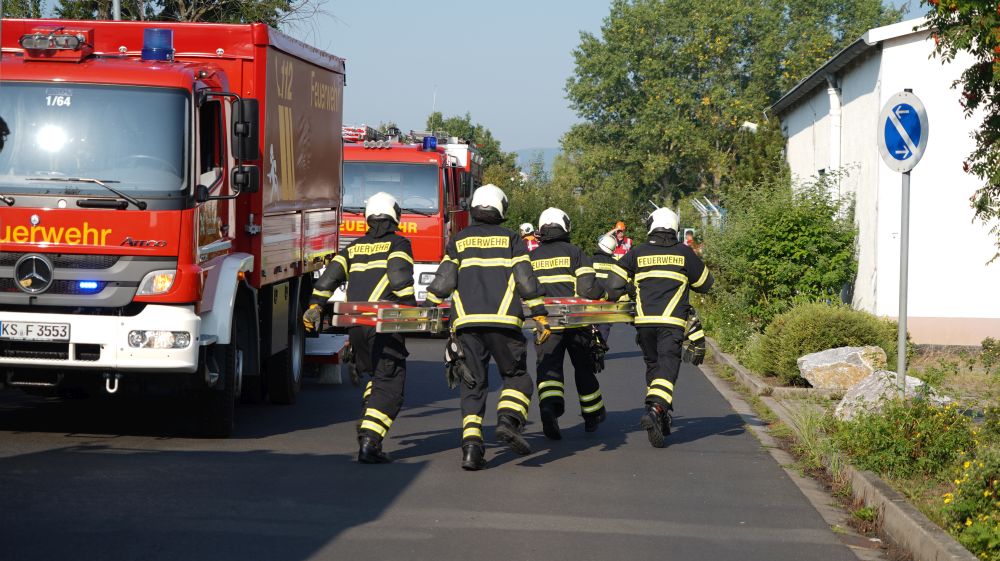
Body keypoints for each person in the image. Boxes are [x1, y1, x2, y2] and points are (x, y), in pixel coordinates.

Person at [425, 184, 550, 470]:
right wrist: (539, 313)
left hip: (467, 324)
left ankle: (471, 448)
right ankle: (507, 420)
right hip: (504, 322)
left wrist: (429, 305)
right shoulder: (512, 239)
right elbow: (525, 279)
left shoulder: (459, 239)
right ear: (500, 208)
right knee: (517, 377)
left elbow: (444, 281)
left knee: (473, 385)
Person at [303, 192, 415, 464]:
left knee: (376, 374)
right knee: (390, 383)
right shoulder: (398, 243)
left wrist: (315, 306)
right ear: (395, 216)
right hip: (384, 324)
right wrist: (411, 308)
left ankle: (369, 414)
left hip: (355, 326)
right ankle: (370, 441)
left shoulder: (353, 248)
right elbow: (399, 277)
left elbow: (329, 279)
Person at [604, 207, 713, 448]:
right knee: (668, 366)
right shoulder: (683, 252)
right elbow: (706, 284)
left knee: (654, 366)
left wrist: (630, 288)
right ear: (674, 227)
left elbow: (612, 286)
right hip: (672, 323)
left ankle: (660, 414)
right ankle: (655, 409)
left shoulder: (637, 252)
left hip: (644, 324)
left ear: (651, 226)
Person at [529, 207, 608, 439]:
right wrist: (604, 294)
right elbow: (588, 289)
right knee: (583, 367)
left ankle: (549, 409)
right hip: (576, 323)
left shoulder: (531, 257)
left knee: (548, 368)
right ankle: (592, 415)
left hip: (544, 324)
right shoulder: (575, 252)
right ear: (565, 226)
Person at [591, 233, 627, 344]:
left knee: (589, 327)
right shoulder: (616, 264)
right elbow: (624, 284)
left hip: (590, 304)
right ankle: (601, 347)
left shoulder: (589, 261)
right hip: (608, 305)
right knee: (604, 327)